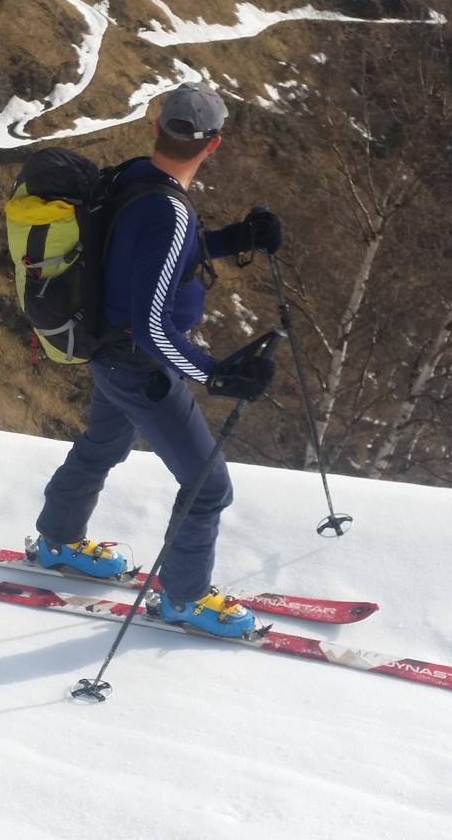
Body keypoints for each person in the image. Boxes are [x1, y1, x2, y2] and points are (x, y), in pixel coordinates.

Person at [29, 82, 284, 638]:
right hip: (139, 367)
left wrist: (235, 237)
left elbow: (151, 253)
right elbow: (150, 325)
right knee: (208, 486)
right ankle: (184, 598)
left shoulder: (131, 178)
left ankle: (57, 538)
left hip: (107, 353)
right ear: (214, 144)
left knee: (104, 444)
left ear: (156, 126)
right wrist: (213, 373)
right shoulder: (168, 208)